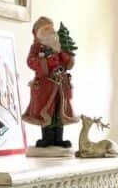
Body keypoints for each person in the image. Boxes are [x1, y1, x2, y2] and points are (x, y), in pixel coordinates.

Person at [21, 16, 78, 149]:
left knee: (60, 111)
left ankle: (58, 138)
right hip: (45, 87)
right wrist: (46, 62)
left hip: (61, 86)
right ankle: (47, 138)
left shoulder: (59, 46)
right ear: (38, 33)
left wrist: (65, 56)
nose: (50, 31)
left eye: (51, 28)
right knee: (46, 111)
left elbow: (68, 64)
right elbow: (31, 62)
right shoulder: (36, 47)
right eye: (46, 29)